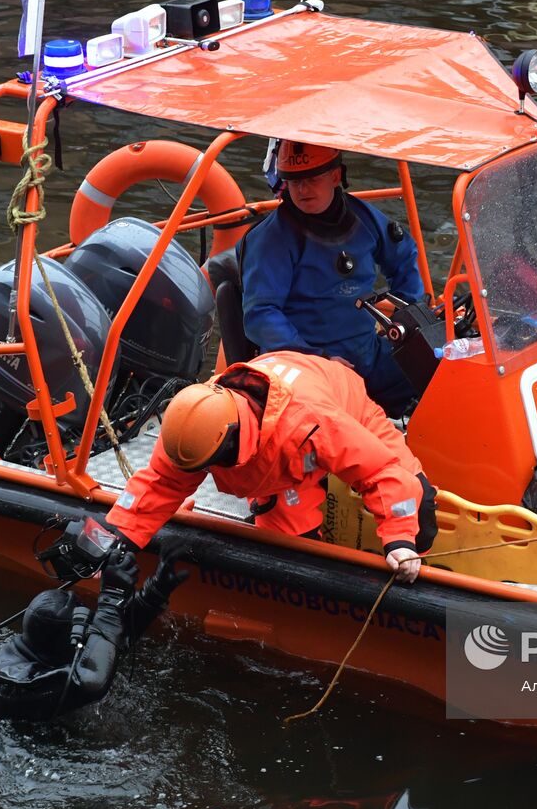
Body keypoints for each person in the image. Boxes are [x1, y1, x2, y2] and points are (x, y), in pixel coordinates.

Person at [107, 350, 437, 582]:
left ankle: (411, 565)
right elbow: (161, 483)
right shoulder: (194, 424)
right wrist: (115, 538)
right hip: (285, 462)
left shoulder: (312, 422)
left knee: (417, 500)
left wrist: (400, 542)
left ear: (232, 442)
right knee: (288, 559)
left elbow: (382, 472)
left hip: (344, 405)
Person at [240, 140, 425, 416]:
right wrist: (317, 359)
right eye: (294, 181)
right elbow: (260, 314)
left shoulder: (363, 219)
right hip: (306, 368)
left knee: (435, 370)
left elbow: (403, 255)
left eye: (312, 179)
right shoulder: (270, 240)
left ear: (335, 176)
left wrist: (408, 317)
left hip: (367, 354)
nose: (302, 189)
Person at [0, 549, 188, 720]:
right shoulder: (10, 684)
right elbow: (91, 681)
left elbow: (111, 641)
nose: (89, 633)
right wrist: (110, 598)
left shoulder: (44, 647)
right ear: (62, 641)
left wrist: (153, 594)